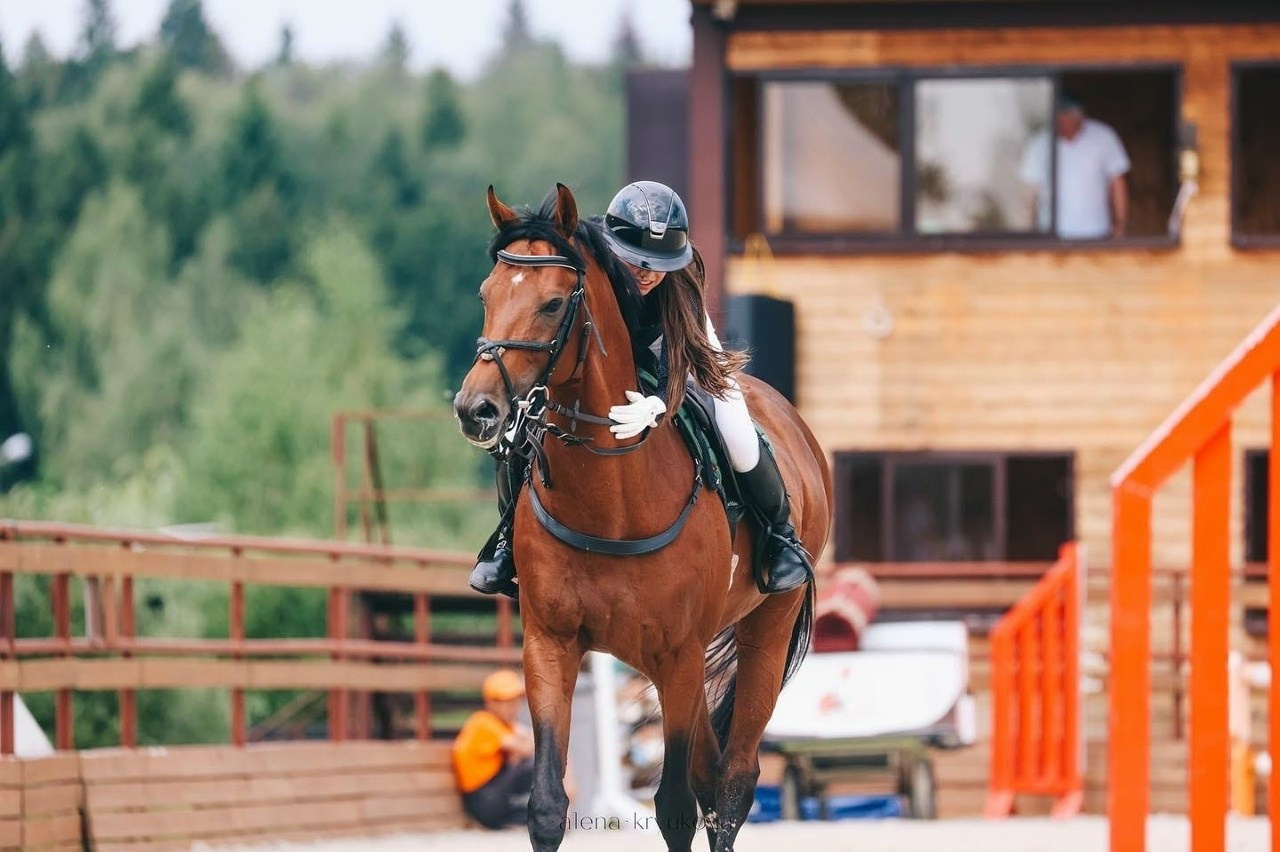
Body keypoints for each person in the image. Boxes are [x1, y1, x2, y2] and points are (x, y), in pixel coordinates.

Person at [470, 180, 813, 598]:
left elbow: (680, 352)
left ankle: (780, 538)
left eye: (659, 262)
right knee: (516, 430)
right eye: (638, 261)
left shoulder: (680, 274)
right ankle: (506, 542)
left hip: (678, 349)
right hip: (609, 359)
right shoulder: (590, 263)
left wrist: (657, 404)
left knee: (737, 431)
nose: (649, 273)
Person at [1020, 94, 1131, 240]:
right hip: (1051, 237)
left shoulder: (1104, 136)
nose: (1063, 122)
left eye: (1068, 117)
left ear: (1080, 117)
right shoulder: (1039, 143)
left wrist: (1120, 224)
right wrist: (1027, 232)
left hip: (1096, 233)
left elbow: (1117, 182)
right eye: (1060, 117)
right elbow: (1029, 192)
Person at [452, 669, 535, 830]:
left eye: (516, 702)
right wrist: (542, 726)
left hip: (492, 797)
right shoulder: (483, 722)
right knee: (536, 764)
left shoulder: (505, 726)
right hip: (484, 799)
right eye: (507, 702)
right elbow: (526, 749)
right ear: (491, 703)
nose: (513, 707)